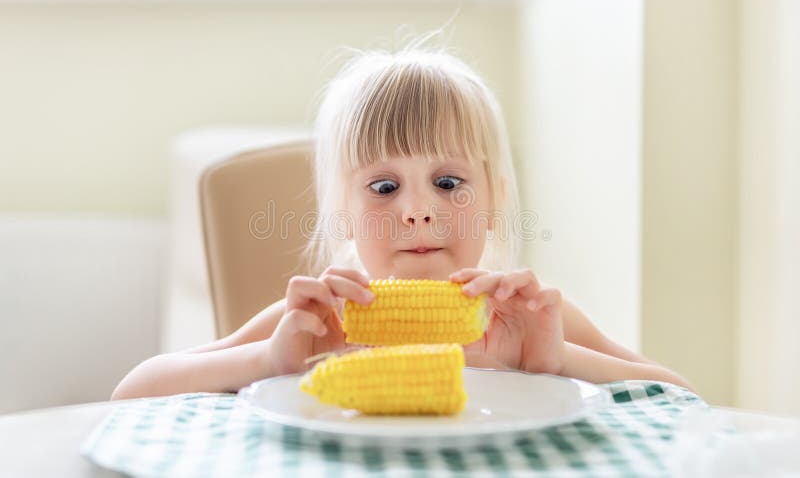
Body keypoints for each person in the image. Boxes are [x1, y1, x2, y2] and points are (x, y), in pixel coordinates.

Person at [112, 42, 693, 400]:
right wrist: (266, 361)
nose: (417, 209)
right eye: (384, 187)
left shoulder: (533, 320)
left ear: (494, 197)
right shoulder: (322, 322)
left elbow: (684, 399)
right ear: (342, 212)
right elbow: (133, 390)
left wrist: (559, 361)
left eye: (448, 182)